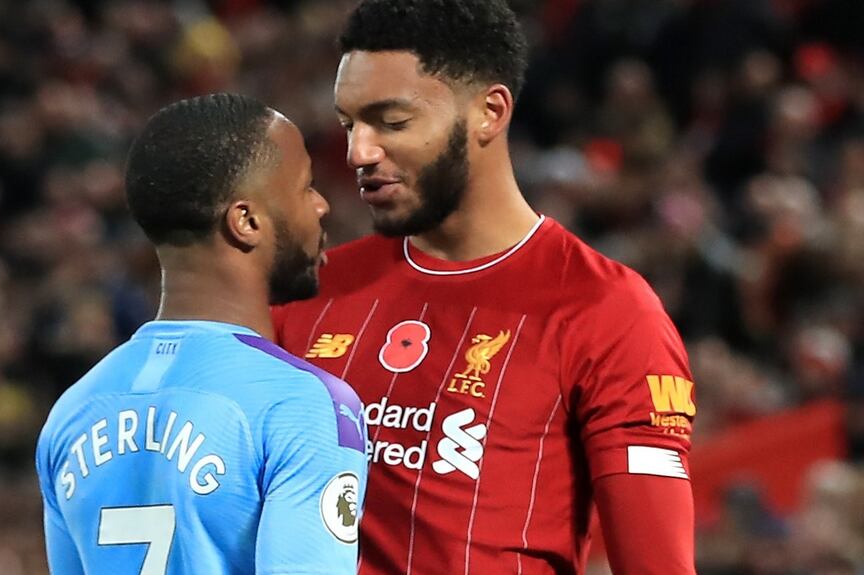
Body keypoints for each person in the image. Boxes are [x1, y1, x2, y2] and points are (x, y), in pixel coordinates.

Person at [271, 1, 696, 573]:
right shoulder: (308, 294)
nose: (359, 153)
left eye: (392, 122)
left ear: (489, 112)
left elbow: (656, 565)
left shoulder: (607, 311)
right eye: (351, 125)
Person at [36, 93, 367, 575]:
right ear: (246, 221)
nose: (321, 205)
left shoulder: (73, 409)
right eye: (305, 187)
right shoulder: (303, 404)